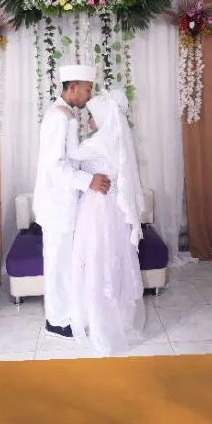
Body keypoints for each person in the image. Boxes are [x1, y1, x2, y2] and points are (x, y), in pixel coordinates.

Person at [33, 64, 111, 339]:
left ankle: (64, 313)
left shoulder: (66, 115)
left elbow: (70, 157)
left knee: (64, 261)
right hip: (55, 203)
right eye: (87, 90)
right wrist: (88, 181)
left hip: (63, 201)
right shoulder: (58, 118)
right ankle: (55, 319)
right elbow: (55, 165)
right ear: (73, 87)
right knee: (56, 262)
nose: (89, 96)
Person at [67, 88, 146, 356]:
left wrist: (69, 123)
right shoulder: (118, 137)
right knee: (113, 257)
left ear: (102, 116)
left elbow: (72, 154)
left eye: (90, 115)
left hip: (98, 207)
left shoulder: (99, 140)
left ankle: (100, 321)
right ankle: (117, 316)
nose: (88, 120)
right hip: (114, 208)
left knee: (97, 258)